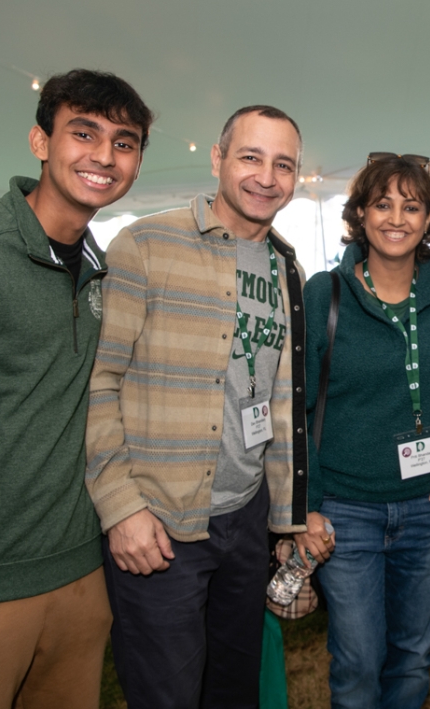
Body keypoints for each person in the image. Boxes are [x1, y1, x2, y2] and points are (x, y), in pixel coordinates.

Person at [0, 69, 153, 708]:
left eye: (124, 142)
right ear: (40, 141)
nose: (104, 156)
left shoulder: (103, 272)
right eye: (84, 133)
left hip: (78, 576)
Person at [86, 105, 308, 708]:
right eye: (250, 157)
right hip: (160, 524)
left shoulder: (288, 267)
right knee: (168, 696)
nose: (266, 177)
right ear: (217, 158)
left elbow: (281, 403)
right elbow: (98, 382)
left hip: (244, 518)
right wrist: (120, 508)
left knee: (233, 690)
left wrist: (285, 519)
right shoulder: (144, 245)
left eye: (282, 164)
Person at [296, 154, 430, 708]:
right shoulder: (325, 293)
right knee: (356, 662)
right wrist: (307, 504)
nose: (396, 217)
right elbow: (295, 409)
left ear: (428, 220)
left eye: (411, 205)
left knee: (413, 657)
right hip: (346, 512)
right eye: (382, 203)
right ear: (360, 214)